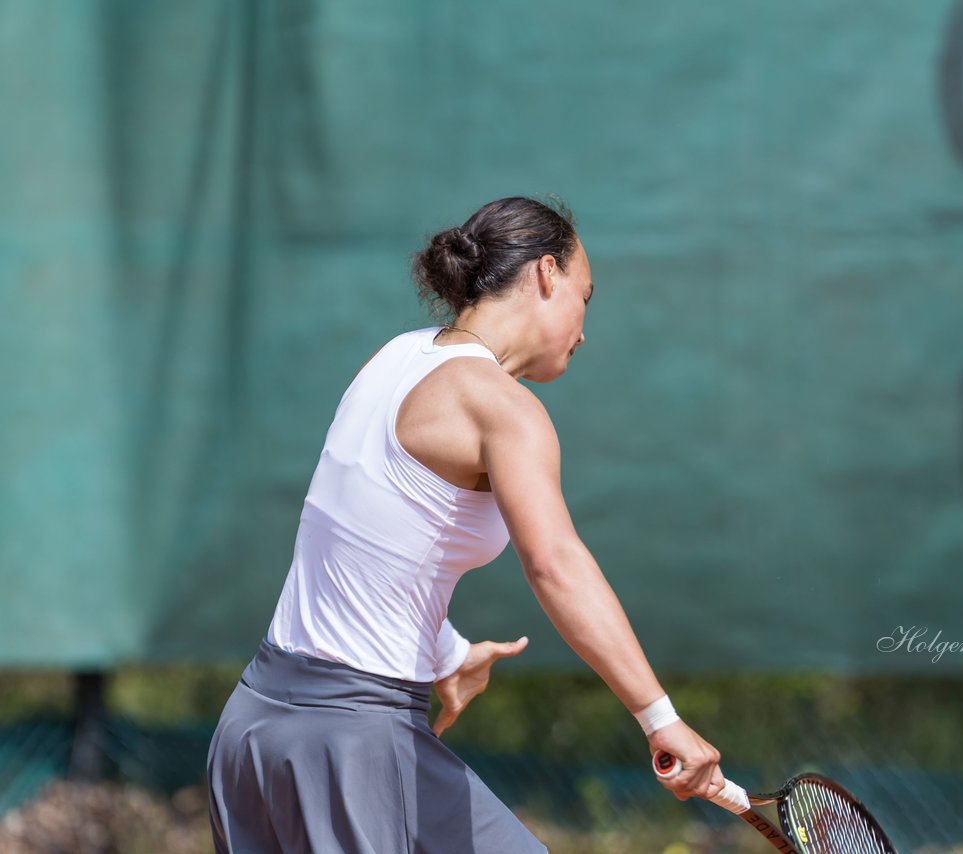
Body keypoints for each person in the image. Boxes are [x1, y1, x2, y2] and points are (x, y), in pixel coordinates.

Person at [207, 196, 727, 852]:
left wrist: (445, 651)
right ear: (545, 274)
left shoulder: (394, 357)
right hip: (349, 741)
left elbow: (361, 535)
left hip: (255, 725)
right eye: (585, 298)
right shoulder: (505, 410)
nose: (584, 329)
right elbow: (555, 564)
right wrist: (661, 718)